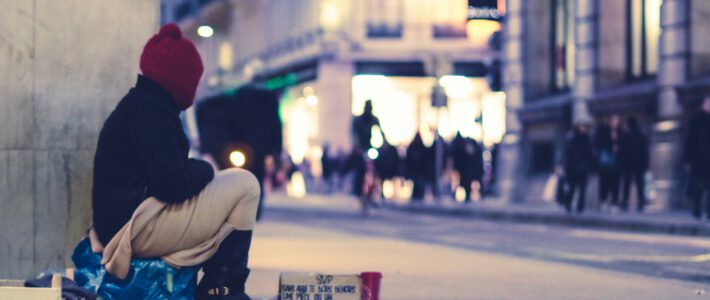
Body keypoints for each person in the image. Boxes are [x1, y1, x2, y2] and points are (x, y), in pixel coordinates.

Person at [90, 24, 258, 299]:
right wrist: (204, 167)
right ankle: (223, 288)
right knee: (245, 184)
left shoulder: (145, 104)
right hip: (130, 228)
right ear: (180, 78)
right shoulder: (150, 112)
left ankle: (221, 284)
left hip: (132, 218)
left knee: (234, 184)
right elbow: (173, 184)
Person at [685, 94, 710, 219]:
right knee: (698, 187)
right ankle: (697, 209)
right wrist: (687, 160)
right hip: (698, 160)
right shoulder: (695, 120)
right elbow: (689, 140)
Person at [563, 120, 595, 214]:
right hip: (573, 168)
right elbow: (567, 153)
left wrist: (590, 167)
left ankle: (580, 207)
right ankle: (568, 204)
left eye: (585, 127)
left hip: (584, 168)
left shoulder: (588, 139)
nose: (584, 129)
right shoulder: (572, 138)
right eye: (582, 126)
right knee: (572, 188)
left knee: (582, 188)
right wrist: (566, 167)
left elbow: (590, 155)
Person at [620, 116, 649, 212]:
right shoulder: (641, 135)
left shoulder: (626, 136)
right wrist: (645, 164)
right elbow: (645, 152)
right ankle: (640, 202)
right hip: (639, 163)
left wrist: (622, 164)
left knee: (627, 183)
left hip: (628, 163)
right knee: (639, 183)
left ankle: (625, 202)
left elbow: (622, 152)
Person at [595, 115, 623, 210]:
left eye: (617, 121)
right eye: (614, 121)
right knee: (604, 182)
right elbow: (599, 144)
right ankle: (603, 200)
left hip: (617, 162)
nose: (615, 123)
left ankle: (614, 202)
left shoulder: (621, 133)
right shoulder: (604, 132)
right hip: (605, 162)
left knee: (615, 183)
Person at [406, 133, 429, 201]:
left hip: (419, 170)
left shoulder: (417, 147)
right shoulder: (415, 147)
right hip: (416, 170)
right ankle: (417, 196)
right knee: (417, 184)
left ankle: (418, 196)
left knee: (419, 184)